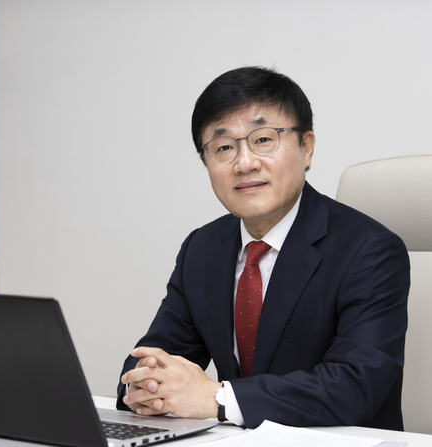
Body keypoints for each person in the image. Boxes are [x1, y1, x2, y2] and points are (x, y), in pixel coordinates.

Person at [116, 66, 410, 430]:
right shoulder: (202, 249)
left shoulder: (369, 250)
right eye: (224, 147)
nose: (245, 163)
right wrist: (145, 386)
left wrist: (215, 398)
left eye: (264, 139)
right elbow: (149, 362)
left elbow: (354, 388)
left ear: (306, 147)